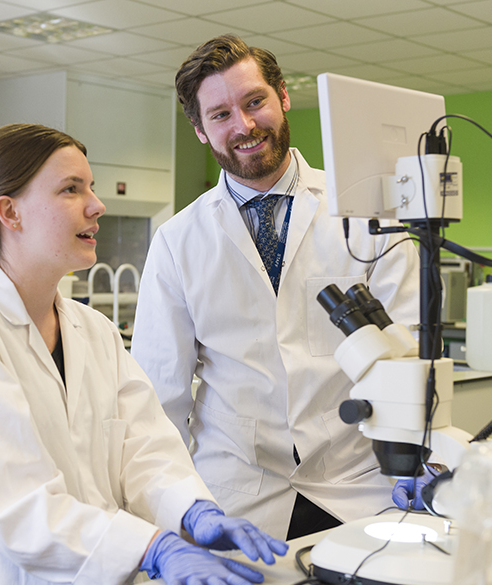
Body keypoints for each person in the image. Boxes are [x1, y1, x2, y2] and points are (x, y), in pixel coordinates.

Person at [0, 123, 288, 585]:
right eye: (71, 189)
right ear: (10, 212)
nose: (96, 205)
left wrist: (193, 512)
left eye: (91, 187)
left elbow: (143, 447)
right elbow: (20, 506)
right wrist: (154, 546)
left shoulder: (93, 331)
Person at [131, 35, 421, 541]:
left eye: (254, 102)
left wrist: (416, 459)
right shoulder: (178, 241)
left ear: (283, 97)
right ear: (200, 130)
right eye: (220, 115)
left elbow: (409, 352)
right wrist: (173, 512)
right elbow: (161, 400)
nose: (243, 126)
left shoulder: (368, 213)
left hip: (359, 486)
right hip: (234, 498)